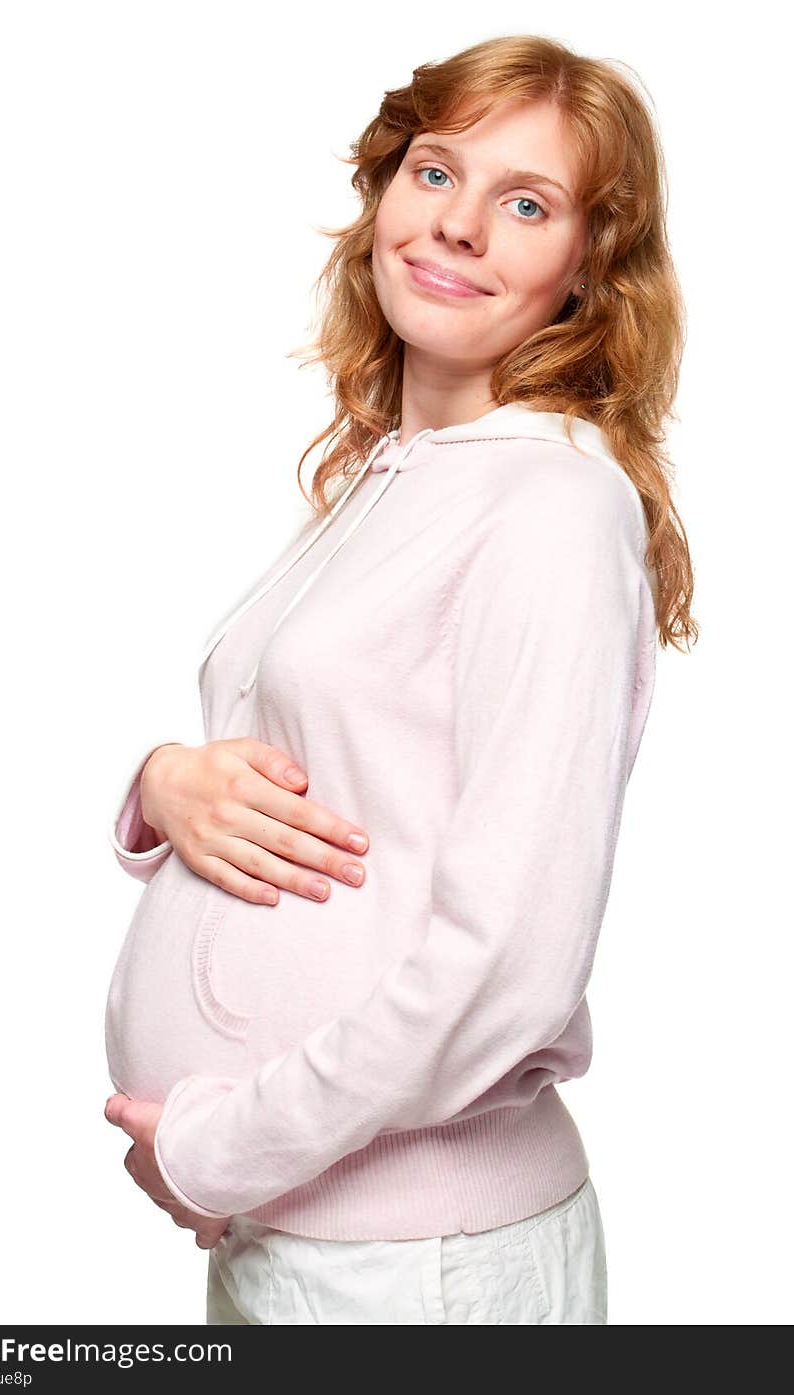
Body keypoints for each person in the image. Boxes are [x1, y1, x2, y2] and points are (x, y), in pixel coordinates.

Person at [102, 32, 697, 1325]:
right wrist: (164, 782)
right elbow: (331, 764)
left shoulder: (546, 502)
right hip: (311, 1241)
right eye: (439, 172)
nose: (462, 227)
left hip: (419, 1264)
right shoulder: (392, 476)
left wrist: (220, 1150)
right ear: (385, 190)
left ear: (589, 268)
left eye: (528, 204)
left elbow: (510, 968)